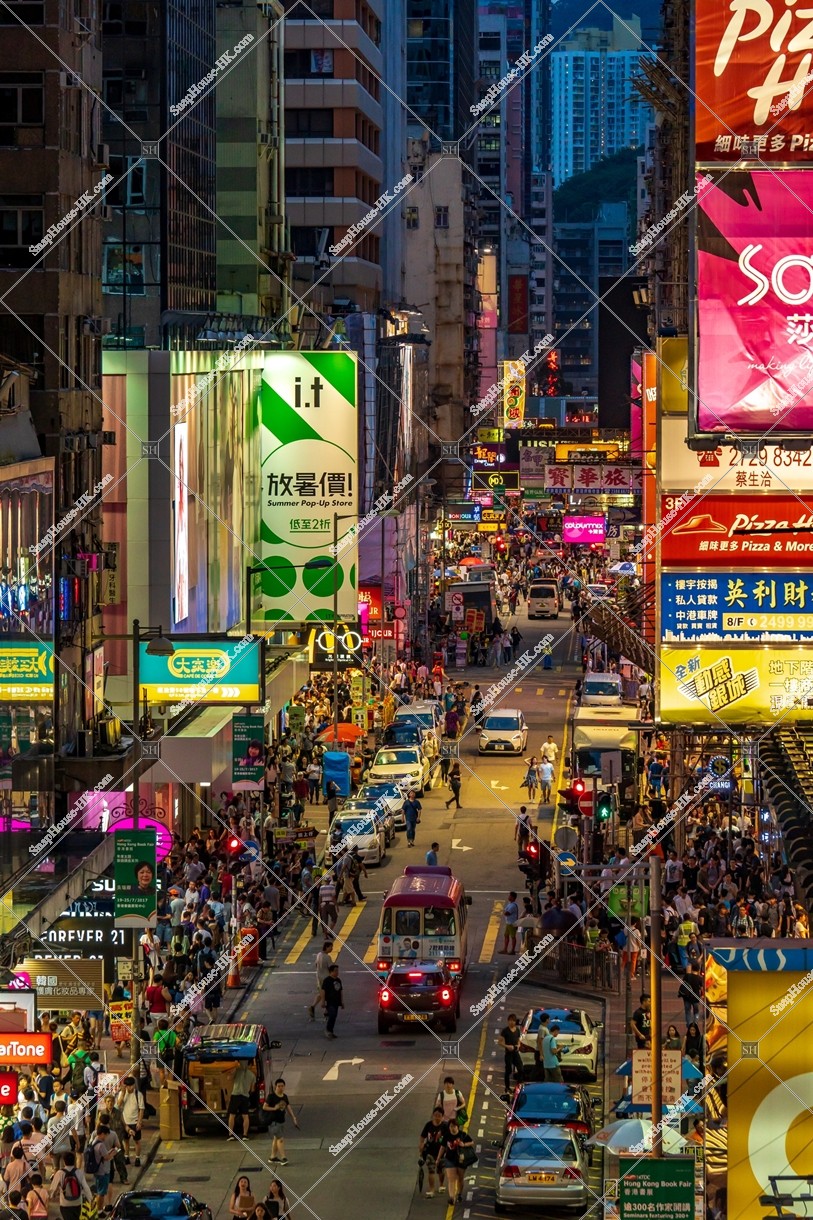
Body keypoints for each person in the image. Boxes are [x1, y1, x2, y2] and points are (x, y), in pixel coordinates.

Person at [263, 1078, 299, 1166]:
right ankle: (283, 1157)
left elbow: (288, 1107)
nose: (280, 1088)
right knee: (280, 1139)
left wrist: (293, 1117)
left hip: (281, 1121)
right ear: (276, 1086)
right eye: (279, 1086)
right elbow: (264, 1107)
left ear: (284, 1087)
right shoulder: (271, 1097)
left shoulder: (284, 1096)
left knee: (276, 1139)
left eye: (282, 1086)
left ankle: (272, 1157)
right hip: (273, 1122)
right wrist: (274, 1108)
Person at [438, 1119, 475, 1206]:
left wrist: (464, 1144)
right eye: (451, 1126)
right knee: (451, 1179)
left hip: (461, 1160)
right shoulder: (447, 1136)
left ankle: (459, 1194)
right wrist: (438, 1158)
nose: (452, 1128)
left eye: (454, 1126)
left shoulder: (462, 1135)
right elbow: (442, 1147)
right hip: (449, 1159)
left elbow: (472, 1142)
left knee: (460, 1178)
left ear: (457, 1127)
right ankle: (451, 1197)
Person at [50, 1150, 93, 1220]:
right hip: (77, 1202)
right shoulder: (79, 1172)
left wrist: (51, 1196)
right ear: (74, 1161)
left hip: (65, 1203)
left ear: (64, 1161)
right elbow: (86, 1187)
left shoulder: (59, 1173)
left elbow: (53, 1188)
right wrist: (90, 1200)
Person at [419, 1108, 449, 1199]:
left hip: (442, 1152)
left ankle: (441, 1184)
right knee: (431, 1170)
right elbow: (422, 1137)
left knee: (441, 1170)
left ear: (442, 1117)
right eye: (435, 1115)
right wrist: (421, 1150)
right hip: (430, 1152)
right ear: (432, 1115)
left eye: (439, 1116)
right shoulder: (428, 1125)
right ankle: (431, 1189)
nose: (437, 1117)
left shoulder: (445, 1126)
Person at [116, 1077, 143, 1167]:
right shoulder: (122, 1094)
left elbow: (141, 1109)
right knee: (126, 1140)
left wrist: (139, 1122)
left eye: (131, 1086)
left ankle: (137, 1157)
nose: (130, 1088)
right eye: (128, 1086)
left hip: (135, 1121)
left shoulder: (138, 1095)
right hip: (125, 1121)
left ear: (134, 1085)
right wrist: (123, 1093)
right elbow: (118, 1105)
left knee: (137, 1141)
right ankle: (126, 1156)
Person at [226, 1061, 256, 1141]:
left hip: (235, 1095)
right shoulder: (252, 1075)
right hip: (245, 1096)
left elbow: (229, 1079)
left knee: (232, 1115)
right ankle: (245, 1135)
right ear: (250, 1065)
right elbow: (253, 1089)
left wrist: (230, 1073)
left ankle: (231, 1135)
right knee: (245, 1116)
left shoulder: (237, 1070)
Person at [308, 940, 335, 1021]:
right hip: (326, 978)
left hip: (319, 977)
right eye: (331, 947)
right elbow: (331, 968)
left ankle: (312, 1007)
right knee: (330, 995)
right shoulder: (327, 957)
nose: (332, 949)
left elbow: (316, 964)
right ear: (326, 947)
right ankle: (326, 1011)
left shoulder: (319, 955)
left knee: (321, 994)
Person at [498, 1014, 523, 1098]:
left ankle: (518, 1086)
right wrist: (507, 1046)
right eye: (510, 1020)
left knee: (521, 1069)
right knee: (508, 1070)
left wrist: (518, 1045)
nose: (511, 1022)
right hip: (508, 1053)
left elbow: (519, 1040)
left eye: (513, 1020)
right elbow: (500, 1042)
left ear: (515, 1022)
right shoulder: (505, 1031)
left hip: (515, 1052)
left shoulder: (517, 1030)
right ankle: (507, 1087)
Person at [320, 963, 344, 1039]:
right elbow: (323, 991)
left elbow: (340, 991)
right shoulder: (327, 980)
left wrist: (342, 1001)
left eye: (338, 971)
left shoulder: (338, 980)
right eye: (336, 971)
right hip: (330, 1001)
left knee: (334, 1016)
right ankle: (328, 1030)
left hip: (336, 1001)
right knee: (333, 1015)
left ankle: (331, 1031)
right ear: (331, 971)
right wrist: (323, 1001)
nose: (337, 972)